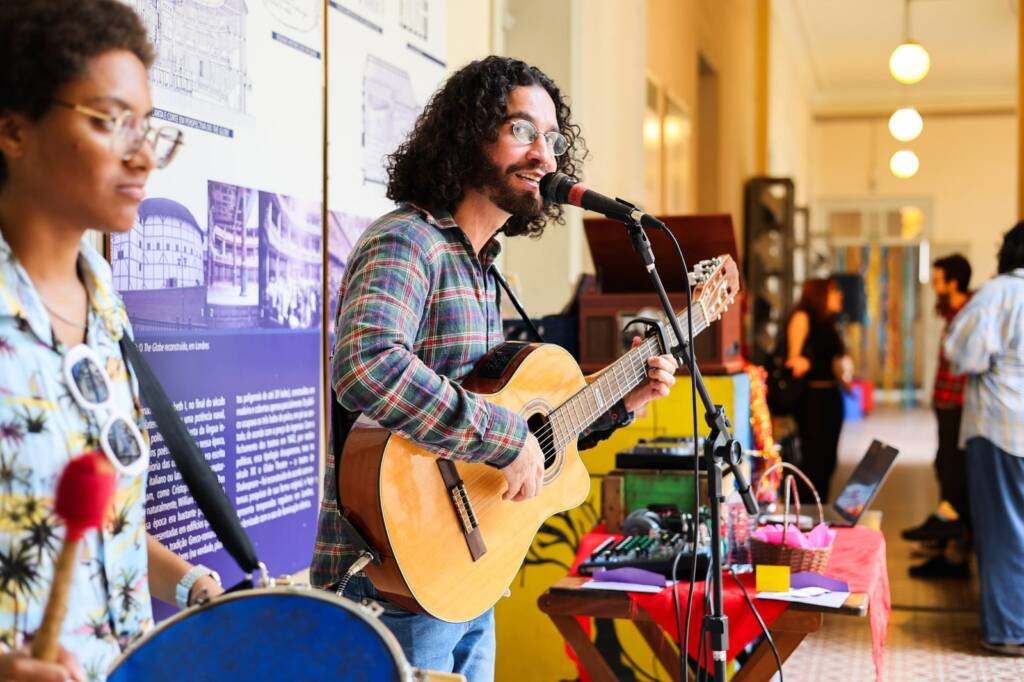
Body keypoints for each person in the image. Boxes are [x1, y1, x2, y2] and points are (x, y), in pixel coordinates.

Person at [311, 56, 678, 679]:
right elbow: (365, 365)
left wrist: (622, 399)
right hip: (396, 579)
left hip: (470, 570)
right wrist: (505, 438)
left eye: (552, 138)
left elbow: (526, 431)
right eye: (522, 130)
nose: (545, 155)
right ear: (467, 136)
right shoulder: (408, 240)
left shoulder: (484, 269)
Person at [0, 2, 222, 679]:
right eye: (109, 121)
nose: (142, 155)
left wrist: (189, 583)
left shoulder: (104, 302)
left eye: (147, 126)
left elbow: (92, 528)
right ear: (13, 131)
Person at [945, 222, 1024, 656]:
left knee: (1004, 530)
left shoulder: (1000, 293)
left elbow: (963, 355)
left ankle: (1010, 630)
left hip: (1003, 428)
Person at [903, 254, 973, 579]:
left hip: (961, 409)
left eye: (939, 278)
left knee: (955, 476)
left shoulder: (969, 315)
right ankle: (949, 544)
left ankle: (954, 553)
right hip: (948, 407)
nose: (934, 284)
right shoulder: (953, 314)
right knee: (945, 469)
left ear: (954, 282)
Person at [784, 278, 850, 502]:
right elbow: (794, 361)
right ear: (820, 295)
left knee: (829, 459)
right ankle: (807, 507)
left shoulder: (829, 322)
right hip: (813, 399)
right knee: (814, 459)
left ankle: (820, 505)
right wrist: (809, 363)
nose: (840, 296)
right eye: (834, 292)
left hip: (831, 395)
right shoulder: (803, 317)